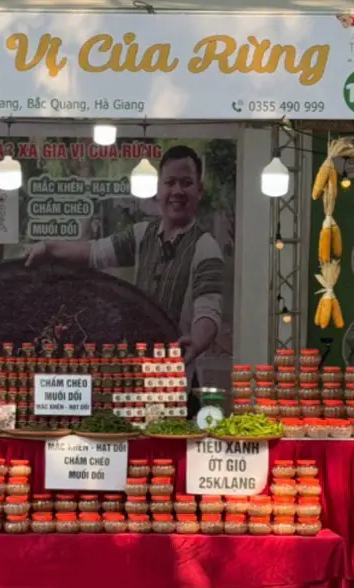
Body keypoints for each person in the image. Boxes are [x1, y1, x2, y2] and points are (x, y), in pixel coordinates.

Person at [25, 144, 224, 411]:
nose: (177, 191)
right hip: (136, 375)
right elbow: (95, 252)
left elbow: (208, 310)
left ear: (199, 190)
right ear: (158, 189)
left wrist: (197, 341)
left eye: (186, 183)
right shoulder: (142, 235)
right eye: (170, 183)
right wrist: (48, 248)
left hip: (178, 382)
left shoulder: (206, 247)